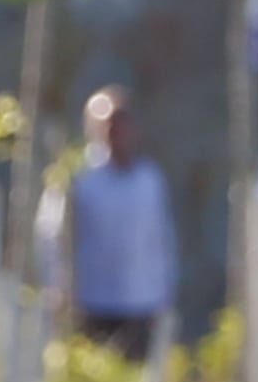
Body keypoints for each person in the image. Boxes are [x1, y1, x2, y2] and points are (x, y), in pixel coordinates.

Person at [61, 85, 174, 359]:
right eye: (108, 124)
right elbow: (55, 235)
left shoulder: (149, 179)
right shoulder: (80, 178)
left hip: (140, 299)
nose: (116, 132)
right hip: (93, 299)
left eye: (121, 124)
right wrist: (61, 288)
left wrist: (164, 292)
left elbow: (161, 238)